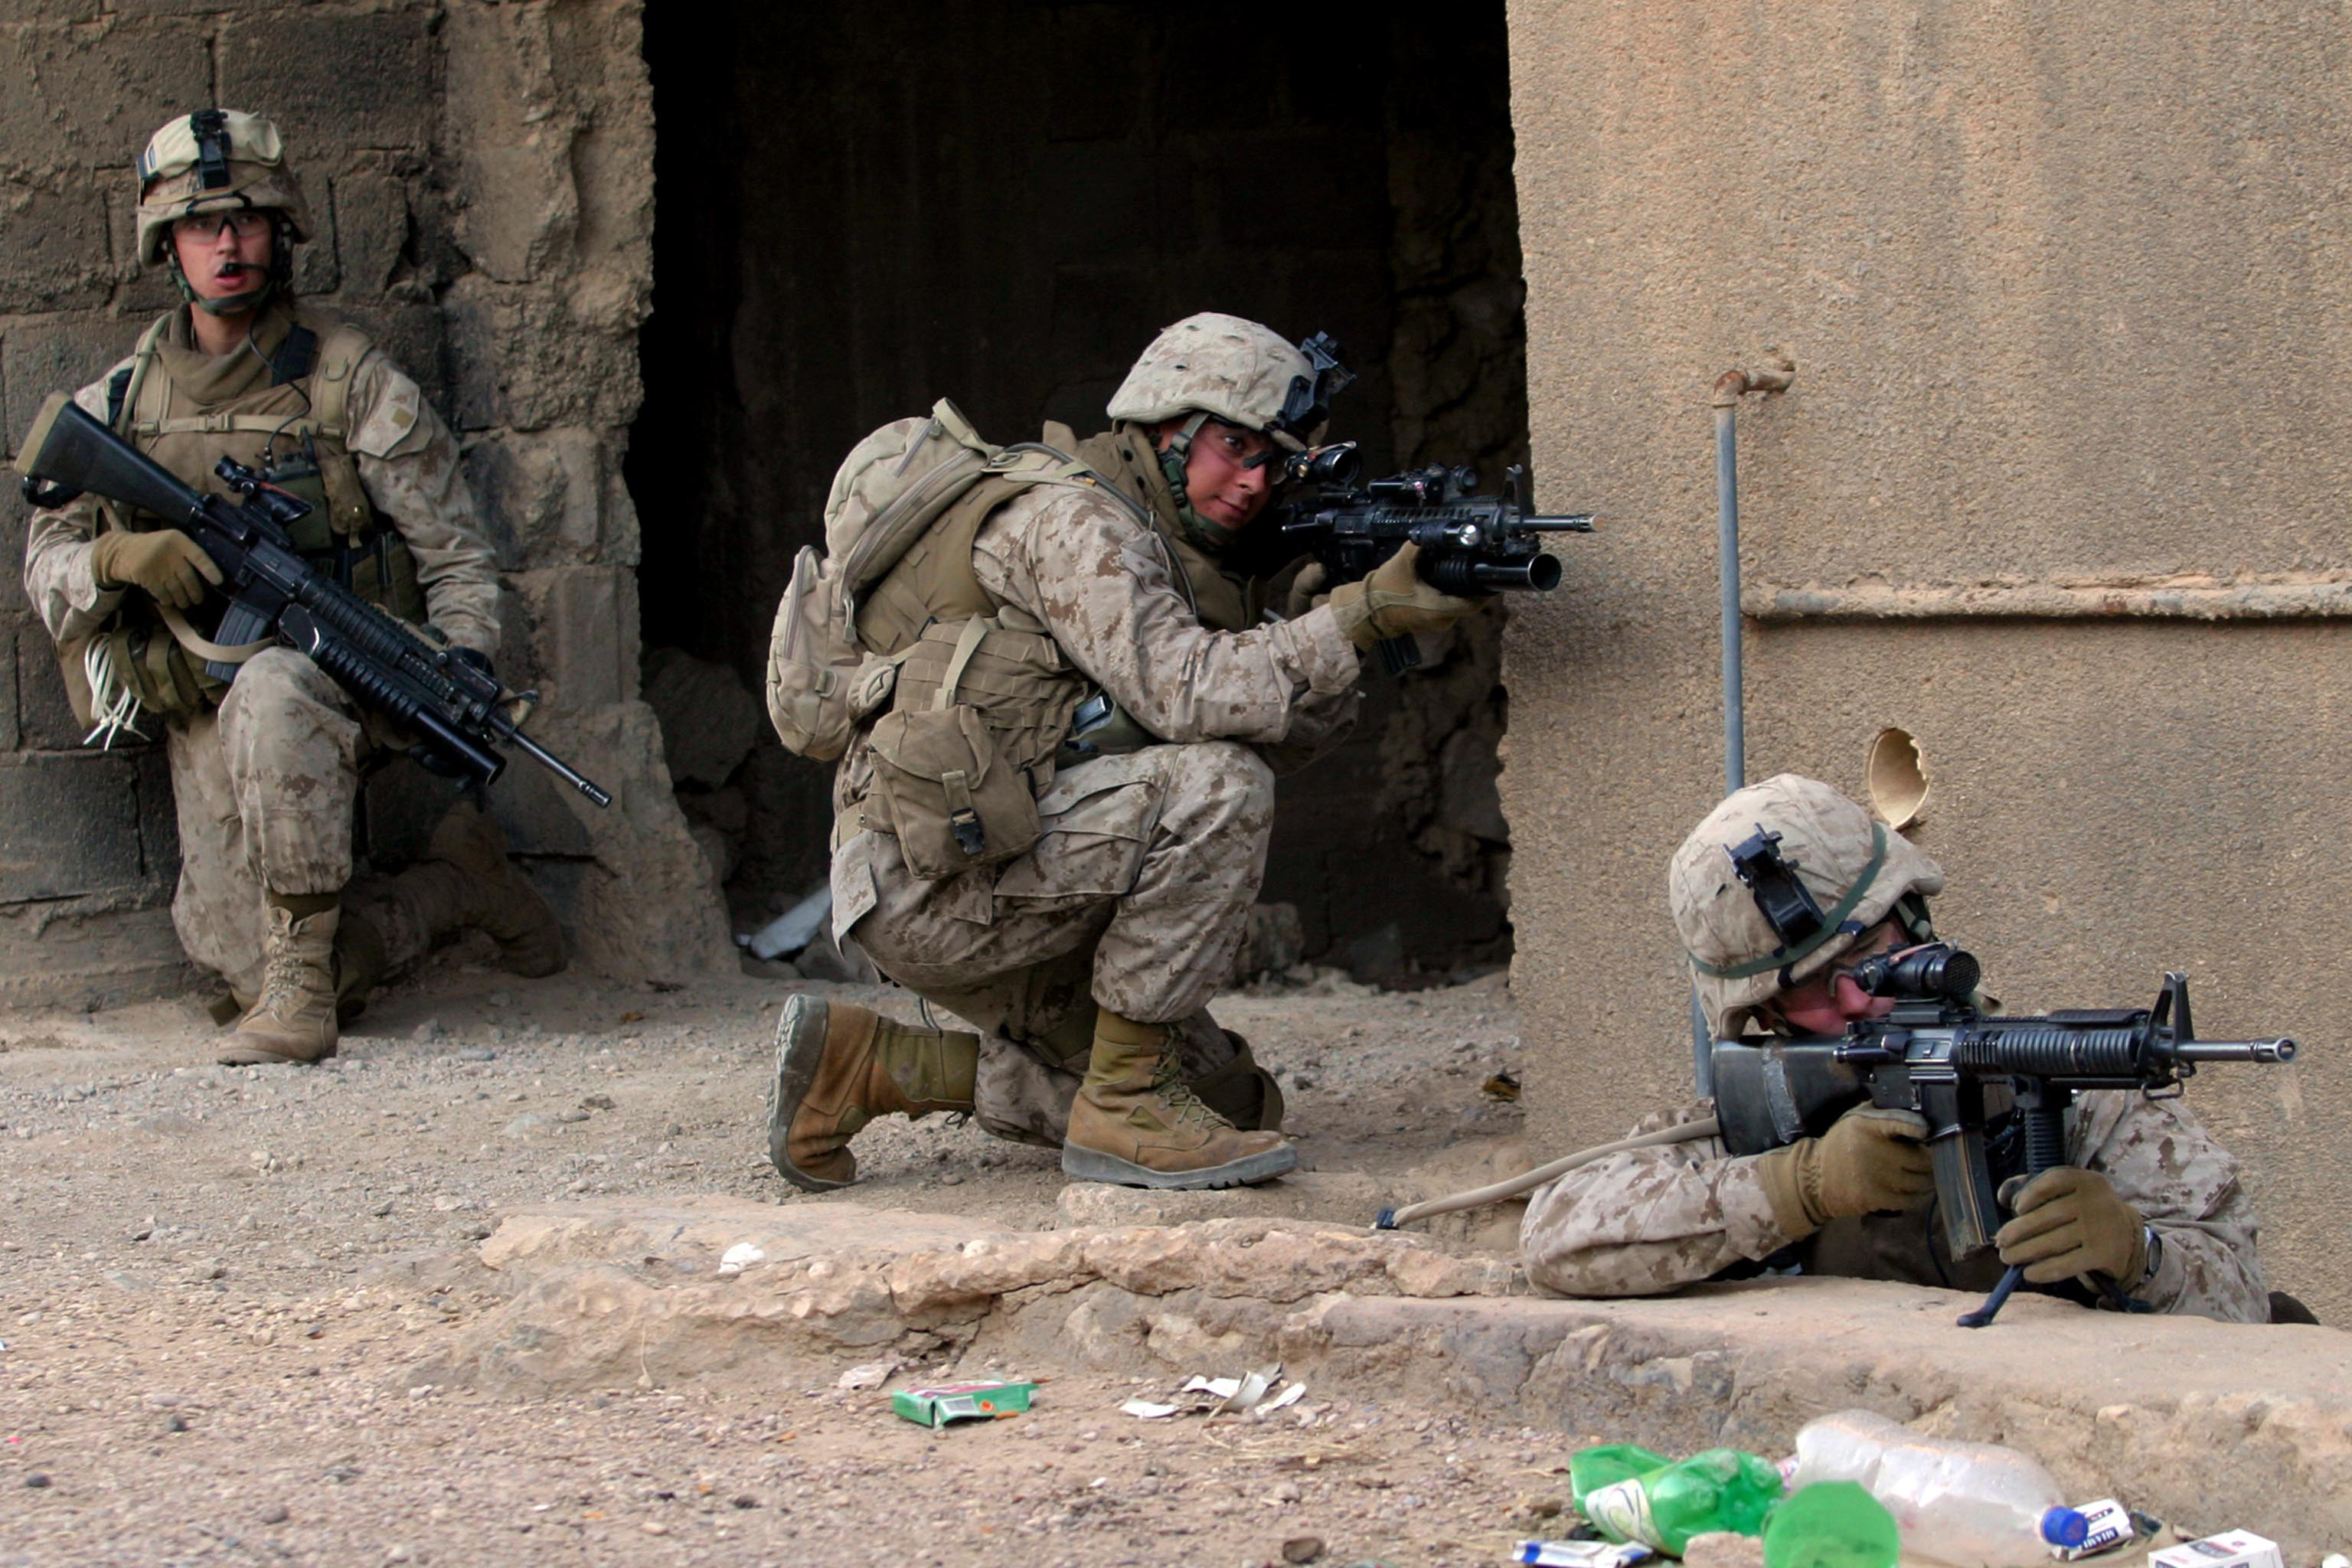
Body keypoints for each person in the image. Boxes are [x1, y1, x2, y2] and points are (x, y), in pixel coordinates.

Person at [768, 312, 1490, 1192]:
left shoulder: (1172, 547)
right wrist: (1354, 621)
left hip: (1005, 863)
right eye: (1233, 446)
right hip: (935, 888)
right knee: (1221, 785)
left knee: (1233, 1103)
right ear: (1163, 422)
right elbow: (1188, 695)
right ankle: (1127, 1105)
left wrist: (1319, 627)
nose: (1253, 481)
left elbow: (1263, 728)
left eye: (1274, 463)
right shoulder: (1073, 522)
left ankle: (866, 1065)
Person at [21, 109, 563, 1066]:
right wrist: (116, 562)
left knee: (274, 688)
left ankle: (304, 992)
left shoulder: (350, 381)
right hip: (199, 697)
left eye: (246, 222)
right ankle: (456, 889)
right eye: (201, 226)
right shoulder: (120, 402)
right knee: (235, 964)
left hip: (330, 690)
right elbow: (45, 566)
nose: (227, 245)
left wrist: (463, 657)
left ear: (282, 232)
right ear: (167, 245)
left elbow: (455, 557)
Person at [1517, 773, 2272, 1324]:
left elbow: (2247, 1303)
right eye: (1813, 987)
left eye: (1869, 956)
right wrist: (1799, 1186)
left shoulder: (2081, 1100)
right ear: (1763, 1013)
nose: (1857, 998)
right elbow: (1556, 1241)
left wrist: (2139, 1251)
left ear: (1914, 921)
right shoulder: (1776, 1111)